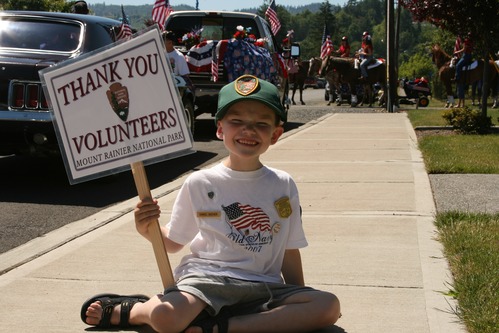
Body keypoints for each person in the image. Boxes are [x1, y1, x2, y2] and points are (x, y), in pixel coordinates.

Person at [81, 74, 341, 333]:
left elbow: (289, 248)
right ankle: (131, 310)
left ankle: (219, 326)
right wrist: (145, 227)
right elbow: (173, 242)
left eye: (261, 124)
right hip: (206, 283)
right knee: (164, 318)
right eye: (236, 121)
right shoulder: (200, 182)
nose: (248, 130)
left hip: (264, 288)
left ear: (275, 134)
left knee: (327, 306)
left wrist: (299, 296)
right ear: (219, 129)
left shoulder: (283, 184)